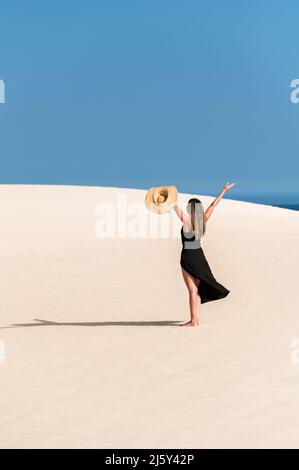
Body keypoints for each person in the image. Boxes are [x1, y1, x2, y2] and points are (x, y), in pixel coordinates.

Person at [173, 182, 236, 326]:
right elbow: (213, 206)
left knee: (192, 289)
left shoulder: (187, 220)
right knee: (198, 289)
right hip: (200, 257)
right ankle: (196, 320)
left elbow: (175, 207)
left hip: (188, 256)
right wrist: (224, 191)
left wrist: (171, 200)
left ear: (190, 209)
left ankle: (193, 320)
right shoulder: (203, 221)